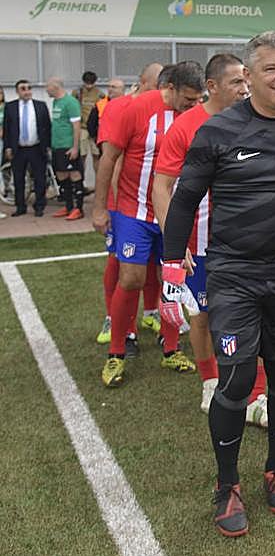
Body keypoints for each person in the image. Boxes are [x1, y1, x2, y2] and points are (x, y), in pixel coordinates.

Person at [160, 31, 275, 538]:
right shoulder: (217, 132)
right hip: (235, 277)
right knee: (237, 381)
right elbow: (183, 202)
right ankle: (227, 485)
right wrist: (171, 265)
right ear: (249, 77)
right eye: (272, 69)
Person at [92, 62, 205, 387]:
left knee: (171, 277)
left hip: (173, 213)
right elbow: (109, 159)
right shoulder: (135, 109)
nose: (193, 105)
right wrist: (100, 208)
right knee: (131, 277)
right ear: (168, 87)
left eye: (198, 99)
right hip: (133, 212)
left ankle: (171, 349)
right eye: (188, 98)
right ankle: (117, 352)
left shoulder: (197, 116)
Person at [153, 54, 250, 414]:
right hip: (202, 243)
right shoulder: (186, 127)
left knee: (250, 314)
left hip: (245, 243)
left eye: (246, 81)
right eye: (237, 82)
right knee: (205, 317)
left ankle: (251, 387)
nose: (245, 88)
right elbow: (161, 187)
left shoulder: (254, 120)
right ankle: (210, 381)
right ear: (212, 87)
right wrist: (175, 244)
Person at [95, 64, 162, 346]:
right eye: (157, 85)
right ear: (141, 82)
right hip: (123, 203)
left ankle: (151, 311)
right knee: (121, 262)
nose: (161, 92)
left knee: (155, 262)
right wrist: (111, 205)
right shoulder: (119, 108)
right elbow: (111, 158)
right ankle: (116, 319)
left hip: (156, 202)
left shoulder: (167, 111)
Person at [2, 79, 51, 218]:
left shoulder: (40, 106)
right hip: (18, 149)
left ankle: (39, 206)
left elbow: (47, 127)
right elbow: (7, 129)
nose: (27, 91)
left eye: (29, 88)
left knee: (40, 178)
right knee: (18, 179)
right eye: (23, 89)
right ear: (17, 91)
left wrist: (46, 146)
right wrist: (8, 147)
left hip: (36, 148)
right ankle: (20, 206)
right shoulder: (10, 107)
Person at [46, 77, 84, 221]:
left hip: (68, 146)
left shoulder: (71, 102)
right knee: (61, 175)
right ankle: (68, 206)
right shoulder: (56, 102)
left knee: (74, 174)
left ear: (55, 87)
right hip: (57, 146)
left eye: (48, 87)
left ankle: (78, 208)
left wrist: (75, 147)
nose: (46, 90)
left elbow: (76, 126)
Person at [72, 70, 104, 178]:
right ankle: (81, 183)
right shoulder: (77, 93)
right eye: (87, 83)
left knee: (97, 155)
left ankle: (98, 183)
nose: (89, 86)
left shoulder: (100, 94)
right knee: (82, 156)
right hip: (82, 128)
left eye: (91, 83)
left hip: (95, 128)